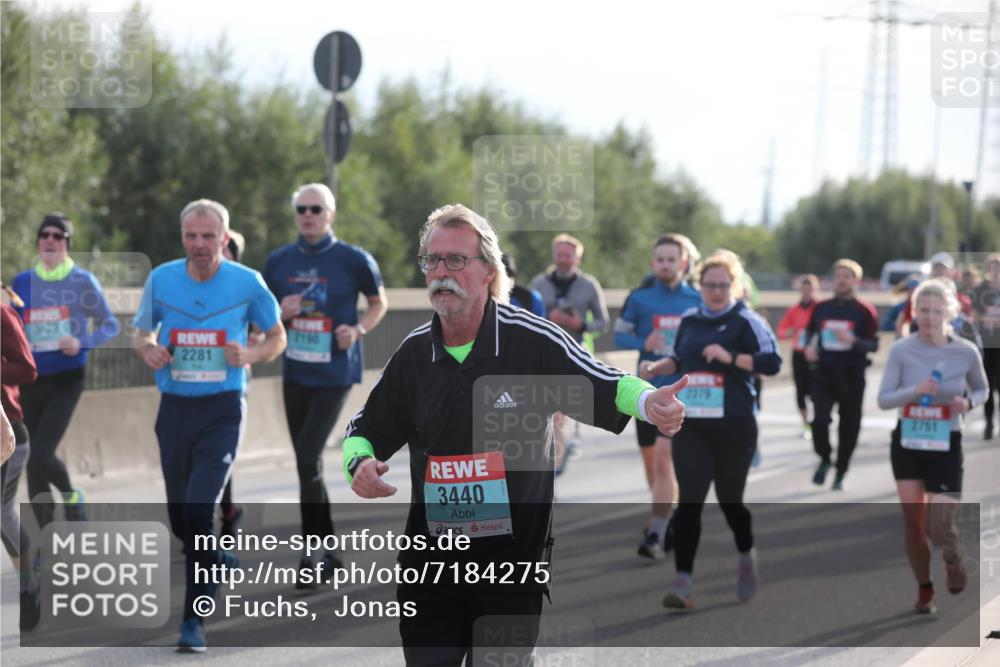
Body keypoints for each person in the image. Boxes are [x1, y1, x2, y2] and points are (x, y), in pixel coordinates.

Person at [342, 204, 687, 664]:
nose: (442, 272)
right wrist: (358, 463)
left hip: (510, 563)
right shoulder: (413, 354)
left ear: (489, 271)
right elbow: (363, 428)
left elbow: (605, 382)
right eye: (433, 260)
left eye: (457, 260)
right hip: (431, 563)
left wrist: (650, 402)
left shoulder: (530, 342)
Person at [133, 199, 286, 652]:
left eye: (208, 236)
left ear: (224, 238)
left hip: (222, 408)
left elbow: (277, 336)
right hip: (175, 409)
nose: (199, 244)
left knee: (201, 509)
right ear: (183, 238)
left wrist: (252, 355)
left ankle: (193, 621)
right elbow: (142, 332)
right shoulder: (162, 278)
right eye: (191, 236)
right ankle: (215, 557)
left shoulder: (247, 282)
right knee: (182, 519)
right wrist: (148, 349)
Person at [641, 250, 781, 609]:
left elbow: (773, 362)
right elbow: (681, 358)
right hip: (695, 426)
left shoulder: (747, 320)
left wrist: (732, 357)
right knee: (690, 501)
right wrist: (660, 366)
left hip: (735, 425)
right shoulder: (689, 319)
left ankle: (746, 556)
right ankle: (683, 582)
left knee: (730, 500)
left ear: (734, 286)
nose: (716, 291)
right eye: (710, 285)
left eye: (723, 285)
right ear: (700, 285)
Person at [264, 183, 387, 584]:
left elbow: (378, 302)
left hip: (335, 372)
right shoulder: (279, 262)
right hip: (297, 369)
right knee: (307, 465)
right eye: (301, 209)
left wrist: (358, 329)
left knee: (306, 455)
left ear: (330, 214)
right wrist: (280, 313)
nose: (308, 215)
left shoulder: (352, 259)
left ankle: (310, 555)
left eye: (316, 208)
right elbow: (262, 317)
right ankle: (329, 551)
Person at [876, 279, 987, 614]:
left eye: (936, 311)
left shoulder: (965, 351)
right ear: (913, 311)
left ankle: (952, 555)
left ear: (950, 313)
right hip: (908, 442)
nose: (928, 317)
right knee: (913, 523)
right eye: (922, 310)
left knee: (937, 524)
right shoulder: (901, 350)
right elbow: (883, 399)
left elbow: (982, 391)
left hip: (946, 443)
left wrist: (966, 403)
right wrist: (914, 390)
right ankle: (925, 589)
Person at [12, 213, 120, 526]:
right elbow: (15, 328)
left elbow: (110, 324)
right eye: (44, 235)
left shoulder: (82, 281)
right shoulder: (22, 282)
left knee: (42, 452)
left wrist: (82, 341)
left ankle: (72, 496)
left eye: (57, 236)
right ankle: (47, 540)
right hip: (30, 380)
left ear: (67, 244)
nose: (49, 240)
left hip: (66, 379)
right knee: (30, 460)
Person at [614, 234, 700, 559]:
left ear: (683, 262)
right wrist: (642, 343)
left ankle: (657, 531)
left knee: (665, 460)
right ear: (653, 263)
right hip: (644, 392)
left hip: (682, 391)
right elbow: (619, 335)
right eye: (660, 259)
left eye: (671, 259)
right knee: (651, 462)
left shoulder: (697, 297)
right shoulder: (639, 298)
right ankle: (664, 512)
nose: (666, 265)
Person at [531, 234, 610, 476]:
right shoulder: (538, 284)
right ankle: (549, 462)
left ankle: (552, 469)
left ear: (578, 258)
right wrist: (548, 318)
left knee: (557, 415)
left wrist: (580, 325)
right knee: (546, 414)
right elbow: (524, 317)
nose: (563, 260)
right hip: (542, 355)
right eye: (560, 254)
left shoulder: (589, 286)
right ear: (554, 256)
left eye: (568, 255)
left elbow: (603, 322)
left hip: (572, 355)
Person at [804, 259, 879, 490]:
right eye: (839, 276)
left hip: (852, 375)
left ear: (855, 281)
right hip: (824, 372)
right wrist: (808, 349)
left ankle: (841, 470)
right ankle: (825, 458)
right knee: (819, 420)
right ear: (833, 280)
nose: (842, 280)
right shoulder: (821, 308)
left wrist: (854, 341)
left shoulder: (864, 310)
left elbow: (873, 345)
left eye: (847, 276)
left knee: (849, 425)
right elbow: (808, 335)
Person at [1, 296, 41, 631]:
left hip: (6, 434)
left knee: (1, 513)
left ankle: (30, 587)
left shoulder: (2, 313)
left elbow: (27, 369)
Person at [218, 230, 251, 538]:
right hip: (194, 382)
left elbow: (265, 330)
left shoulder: (245, 285)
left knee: (219, 451)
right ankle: (223, 511)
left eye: (226, 249)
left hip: (234, 379)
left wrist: (247, 350)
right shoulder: (192, 284)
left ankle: (225, 513)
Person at [777, 274, 820, 439]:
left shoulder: (820, 309)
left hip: (816, 355)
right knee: (800, 391)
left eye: (810, 289)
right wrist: (791, 331)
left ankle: (819, 421)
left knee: (817, 391)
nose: (807, 292)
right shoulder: (793, 310)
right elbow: (781, 332)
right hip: (799, 354)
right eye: (804, 289)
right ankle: (806, 423)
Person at [969, 253, 1000, 439]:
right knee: (988, 381)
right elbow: (973, 314)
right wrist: (988, 319)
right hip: (988, 342)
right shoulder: (980, 290)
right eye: (993, 268)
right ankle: (989, 422)